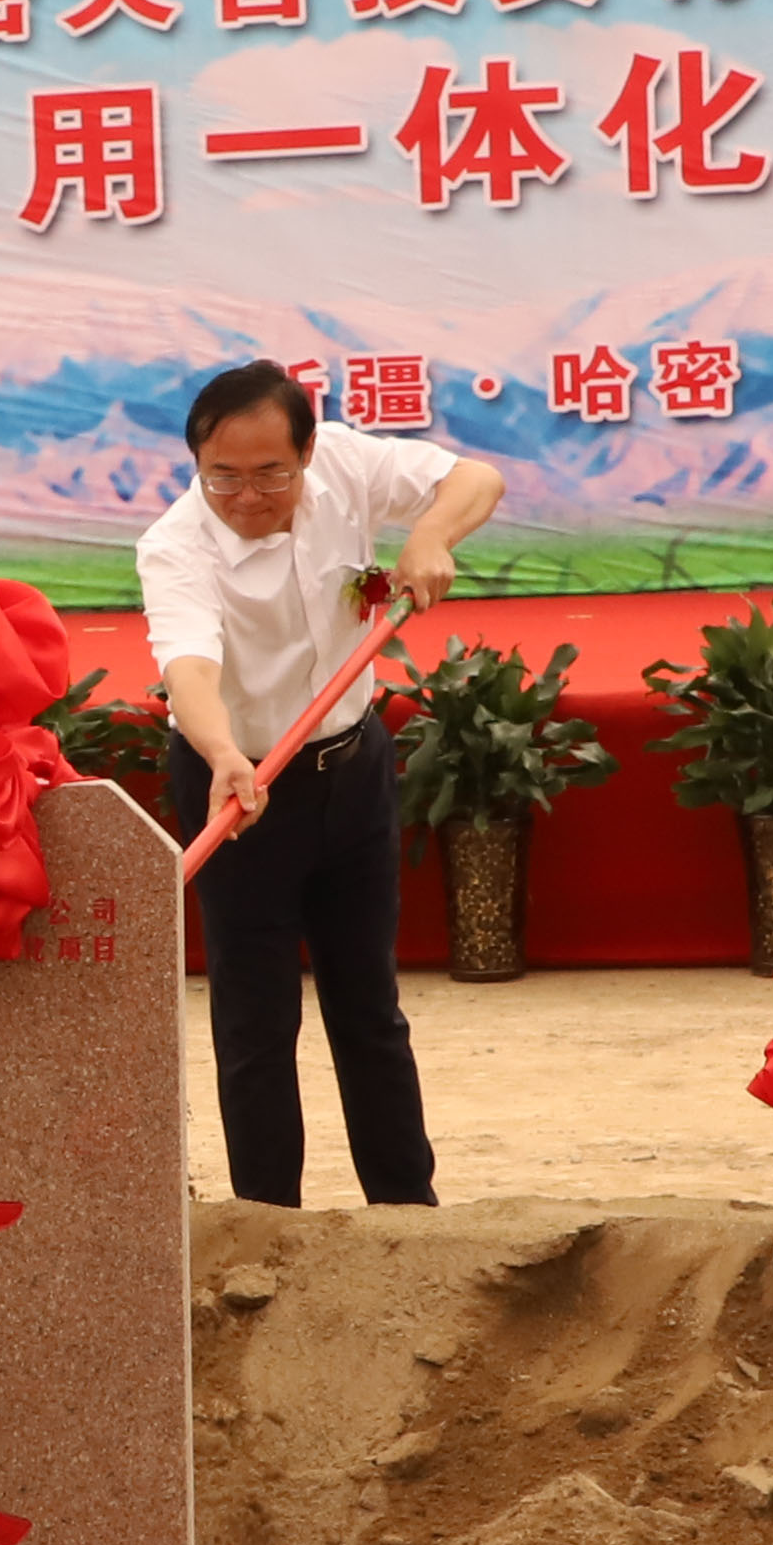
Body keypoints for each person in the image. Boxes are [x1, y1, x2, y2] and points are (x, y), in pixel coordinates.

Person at [136, 362, 506, 1211]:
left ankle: (406, 1211)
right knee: (256, 1021)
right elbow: (189, 668)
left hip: (351, 767)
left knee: (369, 1005)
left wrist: (430, 536)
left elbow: (475, 479)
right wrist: (223, 751)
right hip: (240, 789)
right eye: (223, 475)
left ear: (306, 453)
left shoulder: (342, 462)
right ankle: (269, 1227)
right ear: (197, 463)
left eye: (271, 473)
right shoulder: (175, 546)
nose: (247, 496)